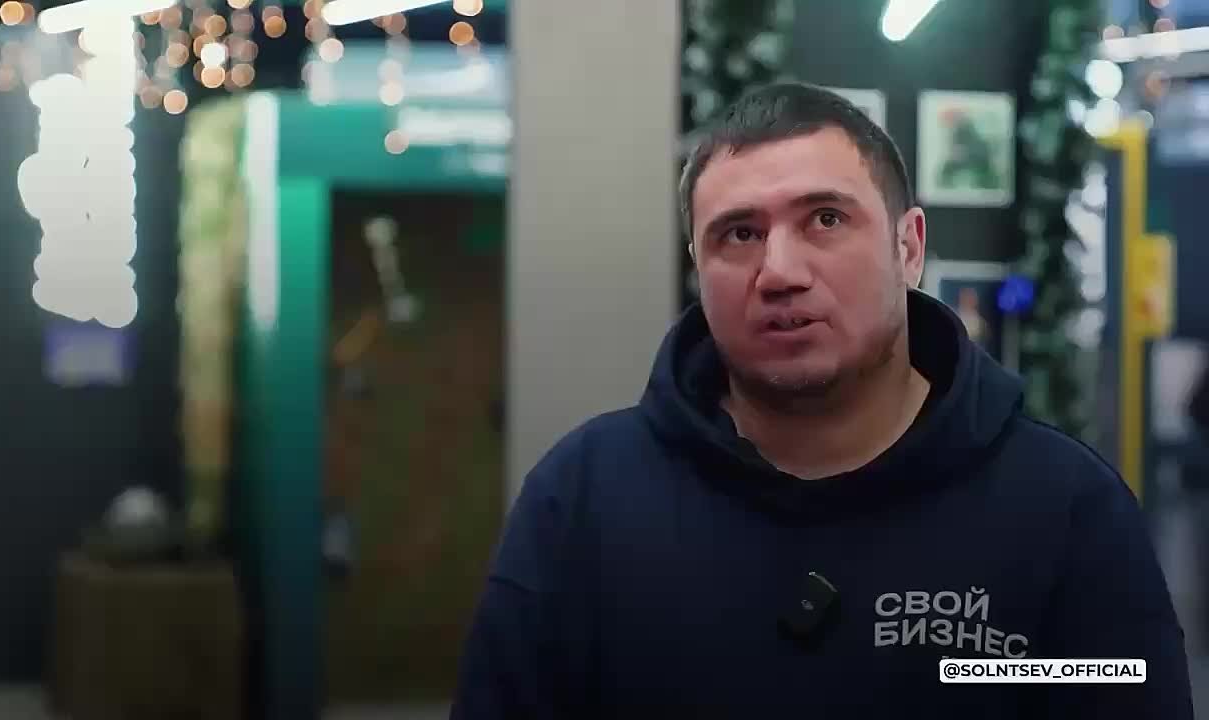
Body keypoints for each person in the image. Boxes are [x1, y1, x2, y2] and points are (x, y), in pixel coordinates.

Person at [450, 82, 1193, 718]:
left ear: (908, 248)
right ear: (698, 269)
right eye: (740, 233)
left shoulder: (1065, 512)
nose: (779, 271)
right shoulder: (583, 501)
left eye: (825, 220)